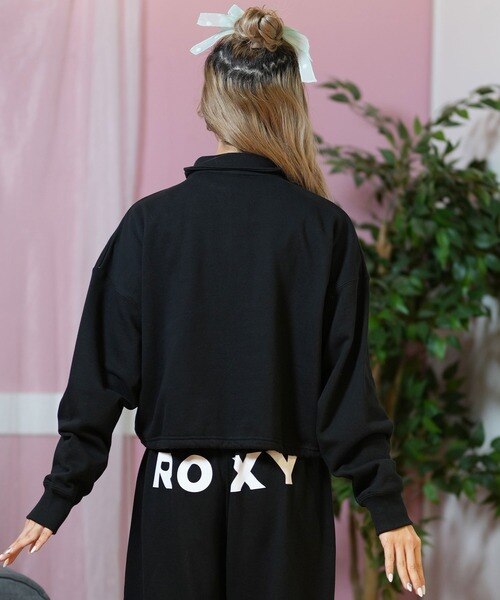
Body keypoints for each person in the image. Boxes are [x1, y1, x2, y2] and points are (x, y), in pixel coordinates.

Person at [1, 4, 426, 599]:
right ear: (290, 106)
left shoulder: (150, 225)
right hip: (283, 502)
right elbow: (346, 388)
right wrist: (386, 507)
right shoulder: (322, 229)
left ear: (208, 105)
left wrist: (57, 497)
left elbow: (100, 376)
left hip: (175, 500)